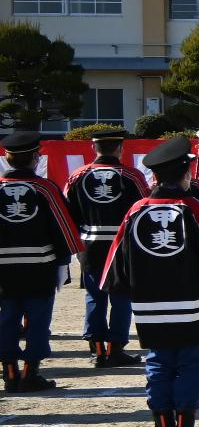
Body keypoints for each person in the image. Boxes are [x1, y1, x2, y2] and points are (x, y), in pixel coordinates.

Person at [99, 137, 199, 427]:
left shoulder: (136, 210)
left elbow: (117, 257)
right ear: (185, 173)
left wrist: (123, 291)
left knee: (158, 364)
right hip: (193, 304)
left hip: (149, 305)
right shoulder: (194, 208)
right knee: (191, 363)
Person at [0, 131, 81, 393]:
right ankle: (30, 372)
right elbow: (65, 226)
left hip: (3, 269)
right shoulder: (44, 188)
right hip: (39, 265)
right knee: (37, 320)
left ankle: (9, 372)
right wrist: (65, 258)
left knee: (6, 319)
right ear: (35, 158)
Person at [63, 126, 147, 367]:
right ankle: (115, 349)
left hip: (89, 244)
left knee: (94, 296)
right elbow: (143, 208)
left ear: (93, 147)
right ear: (120, 148)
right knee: (121, 296)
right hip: (121, 245)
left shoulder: (77, 175)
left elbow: (69, 212)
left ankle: (97, 349)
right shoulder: (132, 176)